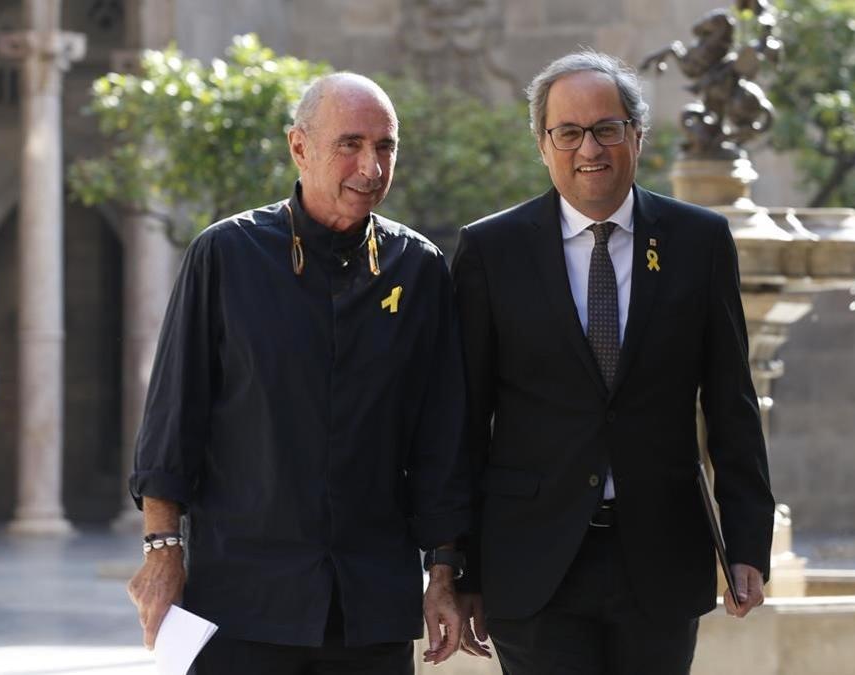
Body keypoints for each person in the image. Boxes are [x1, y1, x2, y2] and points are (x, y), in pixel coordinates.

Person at [126, 72, 471, 675]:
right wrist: (162, 552)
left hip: (371, 605)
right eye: (351, 144)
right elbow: (174, 417)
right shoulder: (225, 255)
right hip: (242, 600)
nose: (371, 166)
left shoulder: (419, 268)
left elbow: (441, 437)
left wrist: (443, 574)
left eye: (385, 147)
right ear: (299, 146)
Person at [451, 50, 775, 674]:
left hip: (660, 554)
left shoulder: (698, 242)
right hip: (534, 560)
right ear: (542, 145)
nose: (588, 148)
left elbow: (731, 401)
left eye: (606, 129)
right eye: (568, 132)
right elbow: (464, 421)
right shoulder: (492, 250)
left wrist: (746, 544)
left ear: (637, 136)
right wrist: (455, 564)